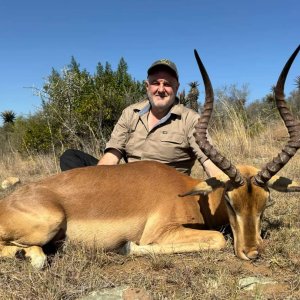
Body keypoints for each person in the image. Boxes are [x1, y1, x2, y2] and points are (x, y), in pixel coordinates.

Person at [60, 58, 220, 177]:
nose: (161, 89)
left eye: (168, 84)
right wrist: (99, 182)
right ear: (147, 86)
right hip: (128, 183)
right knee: (70, 157)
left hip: (165, 193)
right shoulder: (130, 113)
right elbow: (112, 155)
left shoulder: (191, 119)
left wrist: (225, 186)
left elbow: (208, 161)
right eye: (156, 83)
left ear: (177, 88)